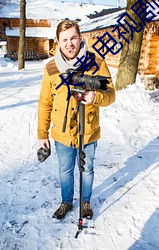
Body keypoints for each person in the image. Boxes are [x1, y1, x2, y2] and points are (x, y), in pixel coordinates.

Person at [37, 20, 115, 220]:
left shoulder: (97, 63)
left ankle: (86, 202)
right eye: (64, 40)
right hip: (62, 133)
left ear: (81, 38)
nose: (69, 43)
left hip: (88, 130)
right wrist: (42, 134)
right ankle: (66, 202)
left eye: (73, 38)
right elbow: (45, 102)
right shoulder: (52, 68)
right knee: (65, 170)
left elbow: (110, 95)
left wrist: (95, 97)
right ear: (58, 42)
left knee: (87, 168)